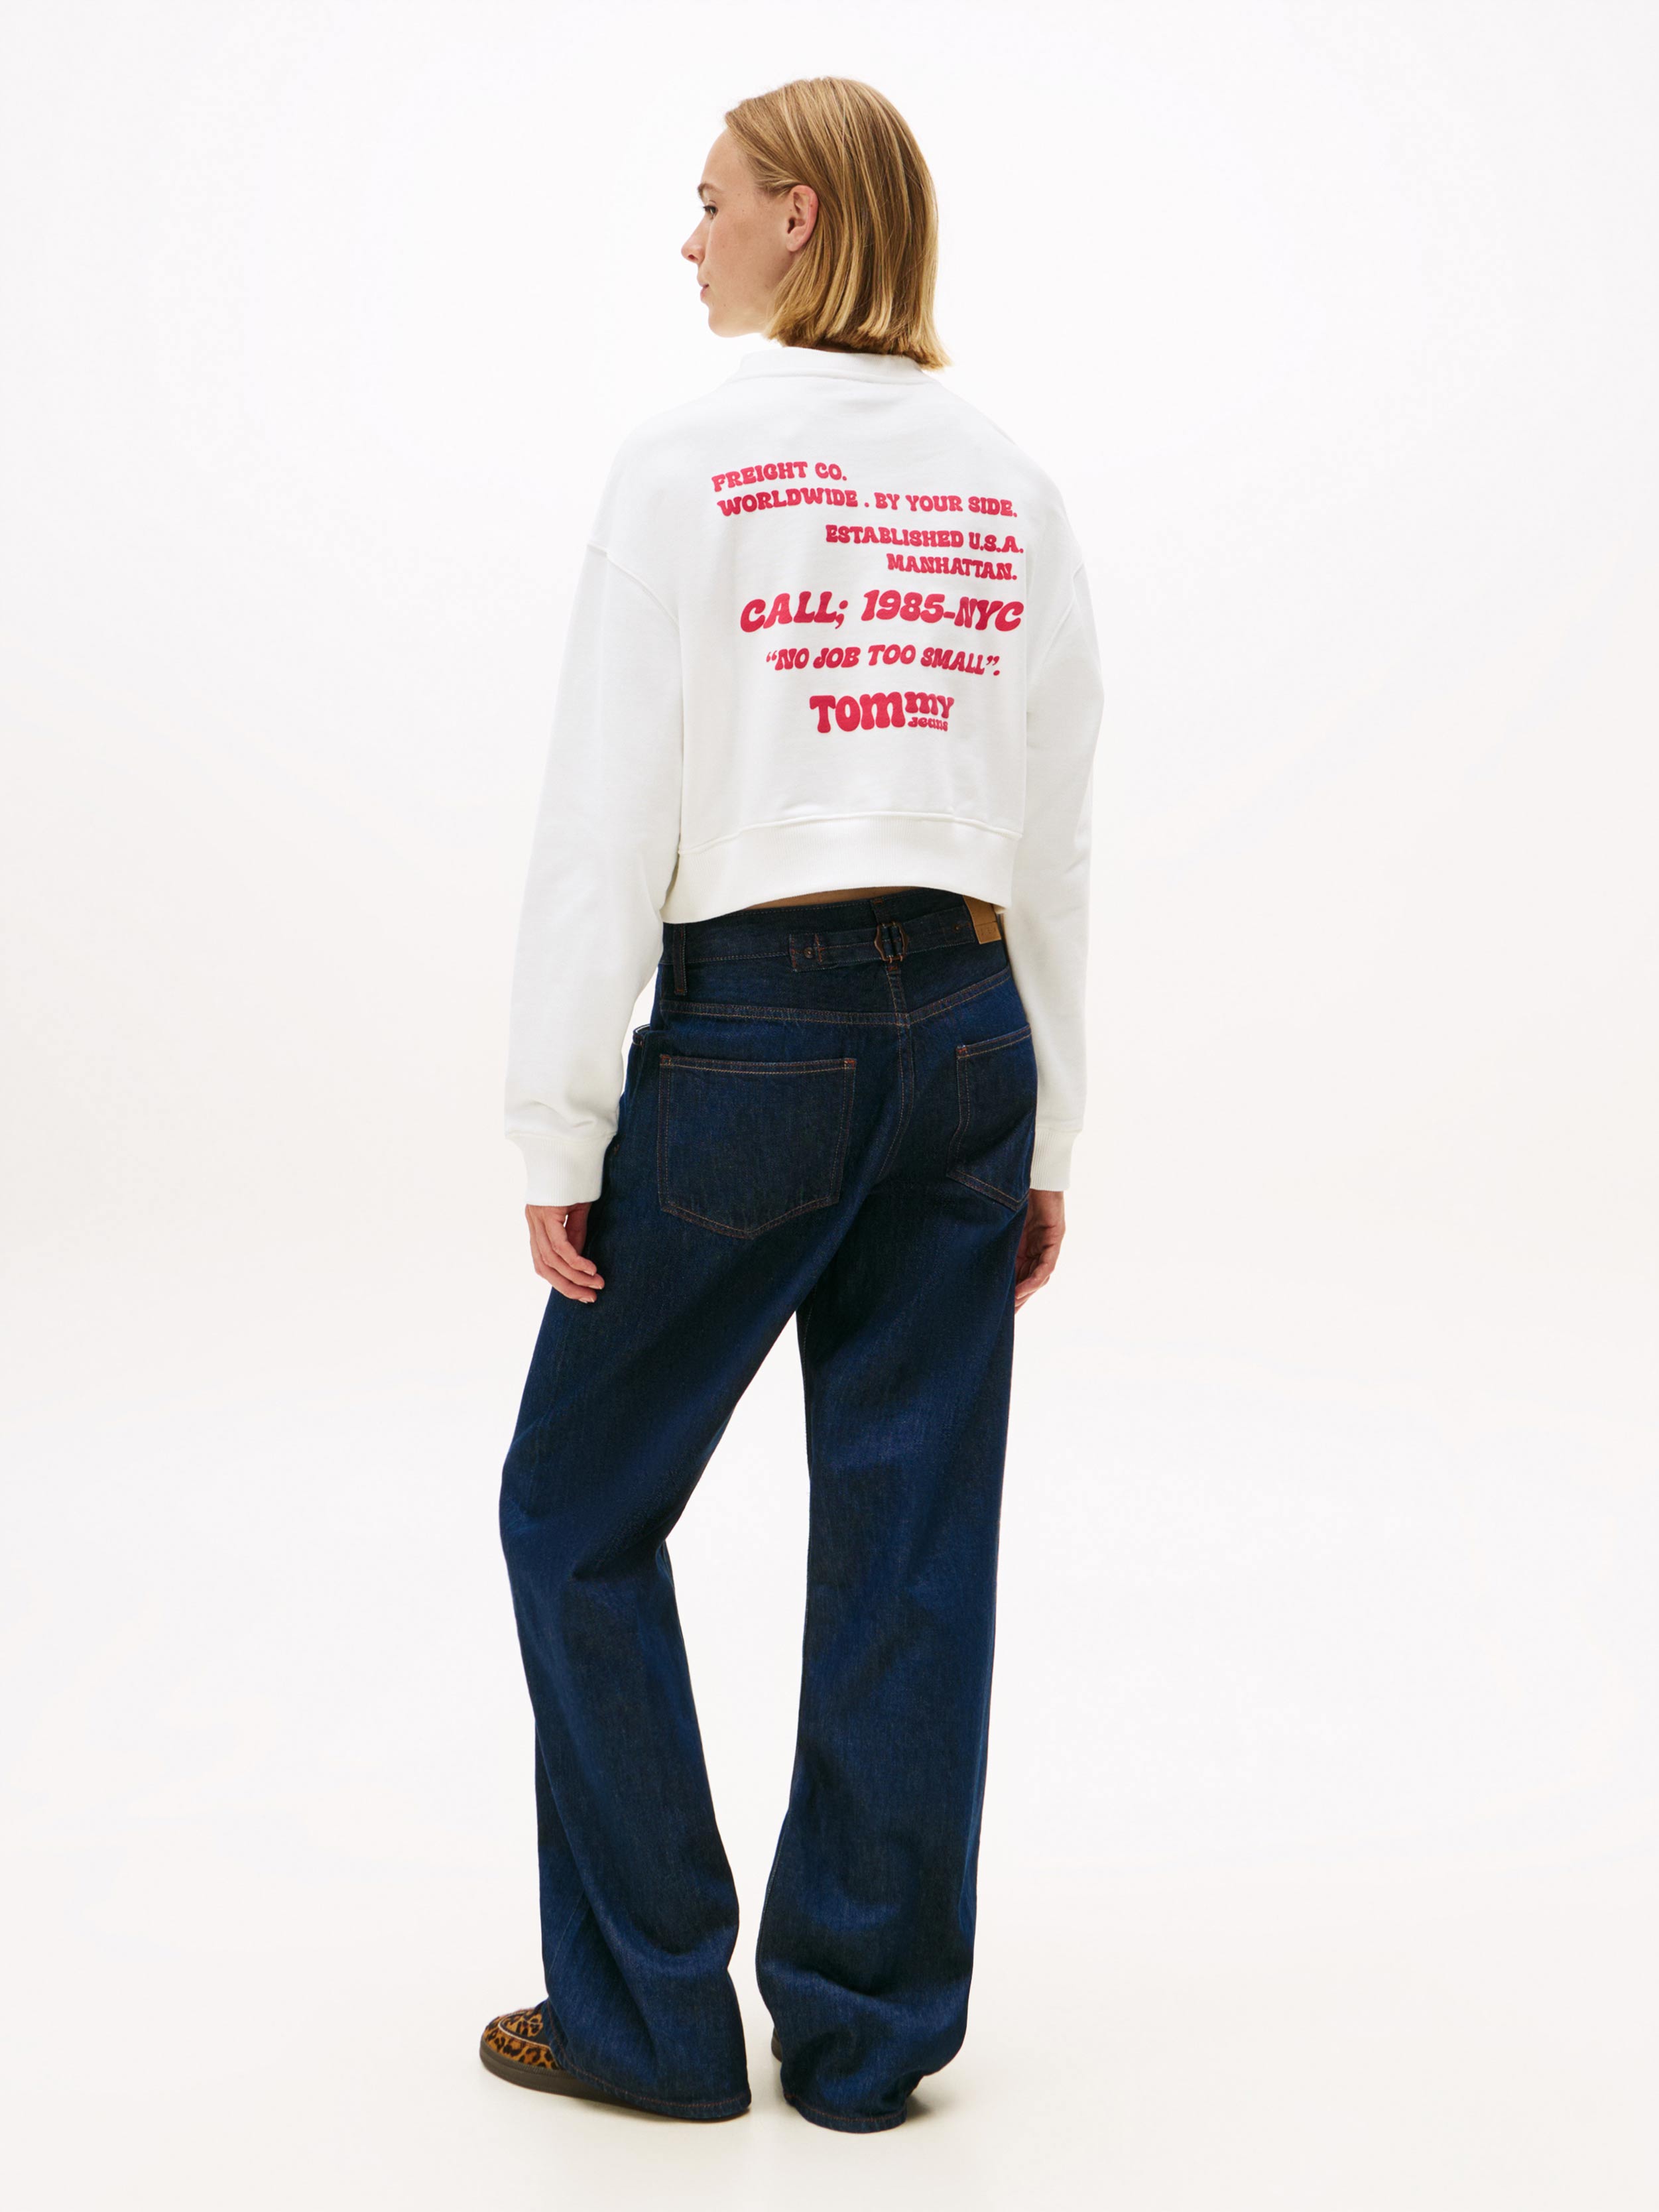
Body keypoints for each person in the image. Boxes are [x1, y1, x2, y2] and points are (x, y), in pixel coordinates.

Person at [481, 76, 1103, 2134]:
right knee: (913, 1537)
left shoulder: (686, 466)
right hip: (969, 1032)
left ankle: (654, 2020)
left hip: (757, 1031)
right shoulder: (1009, 482)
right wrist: (1048, 1130)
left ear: (803, 217)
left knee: (574, 1512)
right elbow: (1053, 834)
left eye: (712, 200)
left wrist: (561, 1124)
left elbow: (604, 820)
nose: (691, 239)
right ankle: (863, 2037)